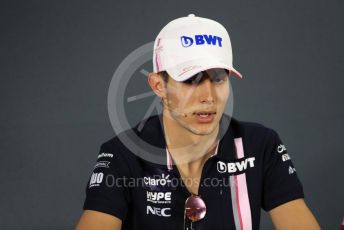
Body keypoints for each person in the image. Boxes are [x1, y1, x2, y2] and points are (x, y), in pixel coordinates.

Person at [76, 14, 320, 230]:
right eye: (191, 80)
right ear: (159, 85)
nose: (208, 97)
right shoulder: (122, 154)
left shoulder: (260, 145)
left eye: (218, 79)